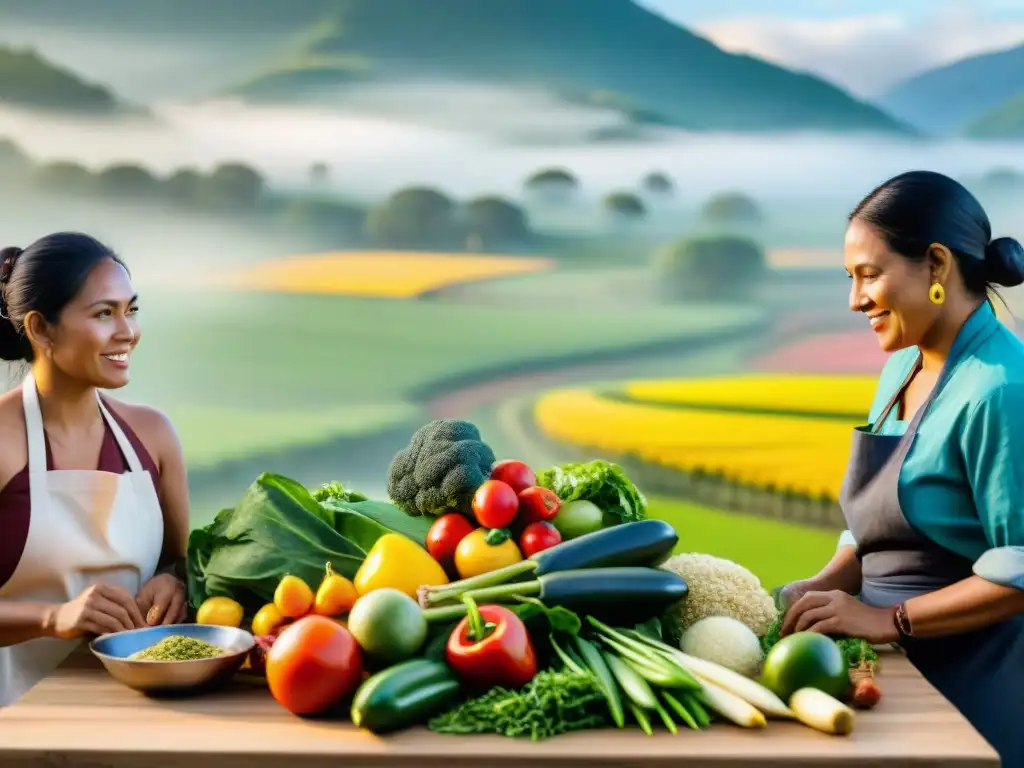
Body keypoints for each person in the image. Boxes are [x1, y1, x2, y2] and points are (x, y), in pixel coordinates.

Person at [777, 170, 1024, 764]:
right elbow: (875, 527)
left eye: (870, 274)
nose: (856, 298)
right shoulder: (900, 371)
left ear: (936, 265)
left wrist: (886, 617)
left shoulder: (1001, 389)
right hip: (886, 674)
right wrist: (826, 583)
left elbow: (1018, 567)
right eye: (850, 278)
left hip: (972, 691)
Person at [0, 232, 190, 706]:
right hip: (13, 715)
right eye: (104, 313)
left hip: (134, 705)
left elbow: (184, 562)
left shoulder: (154, 435)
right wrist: (54, 617)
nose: (127, 331)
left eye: (131, 309)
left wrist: (175, 582)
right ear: (41, 328)